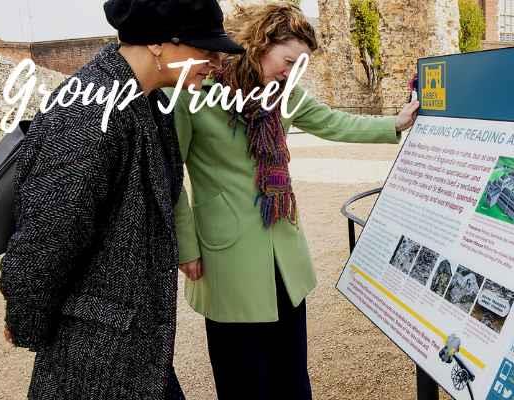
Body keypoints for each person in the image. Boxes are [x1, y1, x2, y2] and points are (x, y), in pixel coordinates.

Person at [168, 3, 419, 399]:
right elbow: (170, 176)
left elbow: (334, 121)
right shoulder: (194, 89)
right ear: (258, 44)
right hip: (227, 254)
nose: (290, 73)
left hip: (283, 251)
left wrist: (396, 123)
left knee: (291, 375)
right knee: (243, 377)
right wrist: (186, 246)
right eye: (287, 61)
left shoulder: (284, 92)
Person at [0, 1, 244, 398]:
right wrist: (26, 317)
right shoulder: (89, 110)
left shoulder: (147, 99)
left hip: (130, 341)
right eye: (205, 49)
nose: (216, 61)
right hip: (96, 351)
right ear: (159, 44)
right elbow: (45, 236)